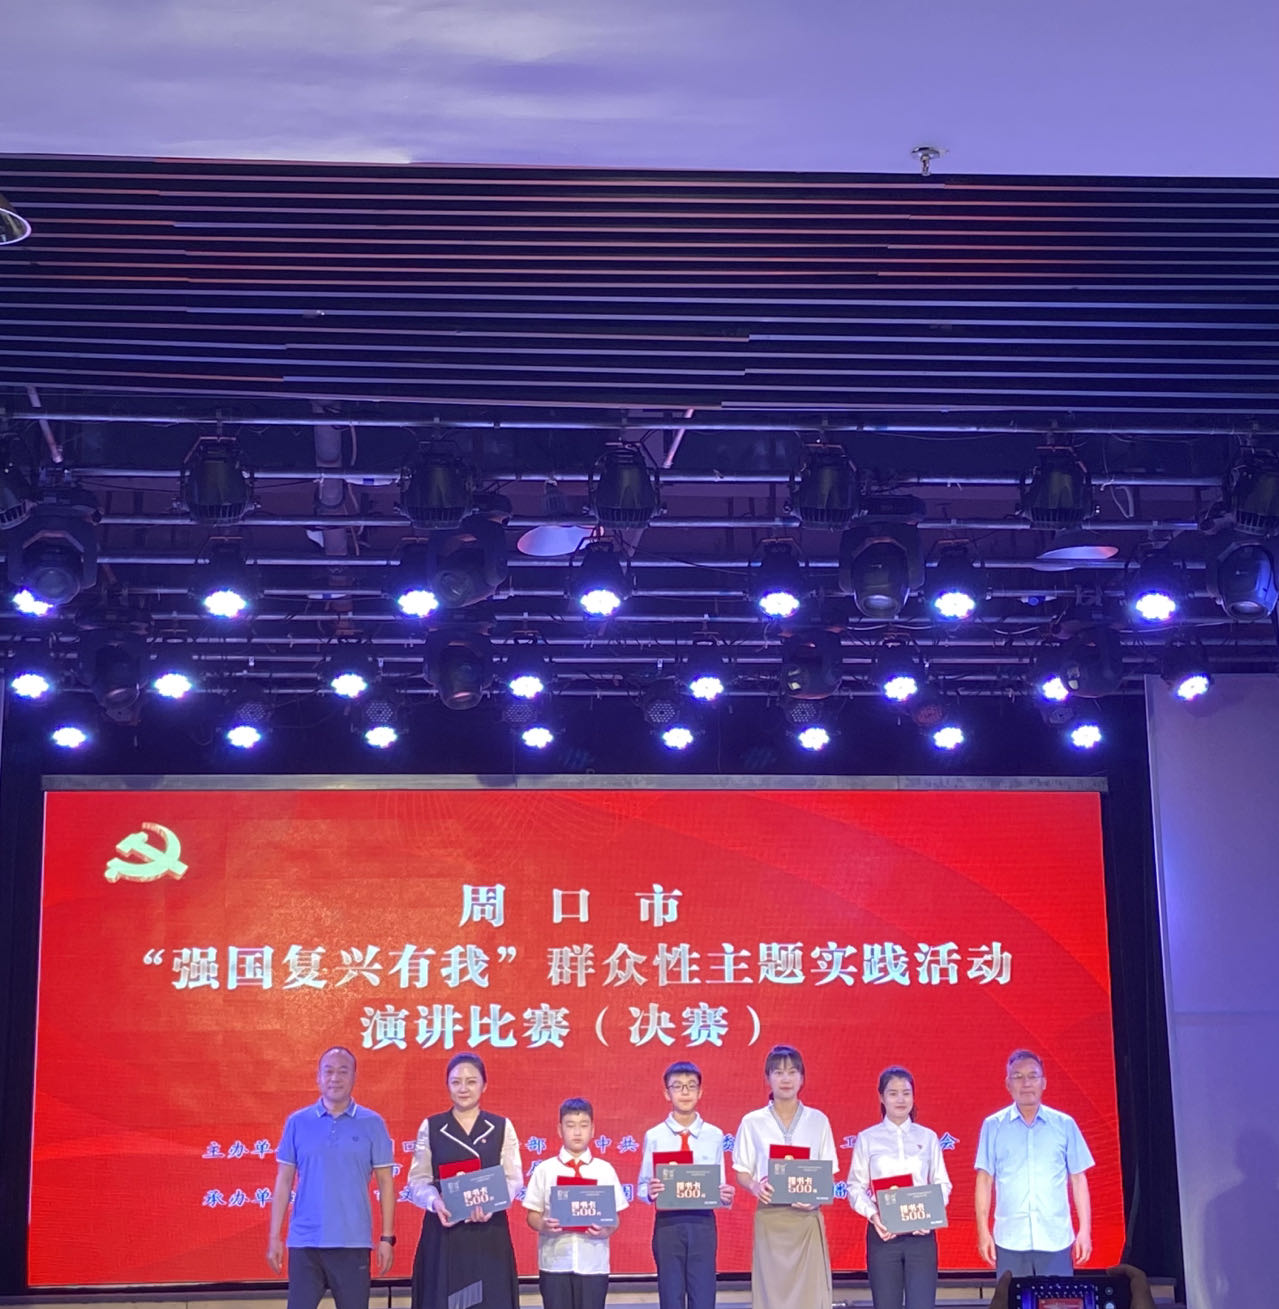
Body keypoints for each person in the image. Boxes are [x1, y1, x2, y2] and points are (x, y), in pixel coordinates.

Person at [267, 1047, 396, 1309]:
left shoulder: (373, 1123)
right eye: (328, 1071)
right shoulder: (297, 1122)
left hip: (353, 1242)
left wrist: (386, 1238)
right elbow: (284, 1181)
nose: (335, 1078)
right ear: (318, 1077)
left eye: (342, 1071)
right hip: (305, 1243)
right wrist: (274, 1236)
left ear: (354, 1077)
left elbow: (386, 1184)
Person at [405, 1051, 523, 1309]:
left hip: (489, 1230)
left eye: (471, 1081)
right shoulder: (432, 1126)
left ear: (484, 1085)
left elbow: (513, 1178)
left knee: (489, 1300)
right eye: (456, 1082)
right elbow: (417, 1180)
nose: (463, 1088)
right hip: (445, 1230)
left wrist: (492, 1205)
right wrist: (434, 1201)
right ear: (447, 1085)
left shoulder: (500, 1126)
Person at [732, 1044, 839, 1309]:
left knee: (810, 1295)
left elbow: (828, 1174)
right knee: (772, 1295)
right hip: (771, 1219)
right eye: (778, 1072)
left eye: (792, 1072)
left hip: (806, 1220)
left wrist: (816, 1200)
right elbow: (742, 1171)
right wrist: (755, 1186)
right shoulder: (752, 1121)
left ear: (802, 1078)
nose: (786, 1079)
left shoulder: (818, 1120)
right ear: (767, 1078)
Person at [974, 1049, 1095, 1277]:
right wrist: (983, 1232)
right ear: (1008, 1084)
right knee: (1011, 1296)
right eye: (1018, 1077)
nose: (1026, 1083)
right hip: (1010, 1239)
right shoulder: (993, 1126)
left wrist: (1085, 1231)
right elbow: (984, 1180)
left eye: (1032, 1076)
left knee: (1057, 1297)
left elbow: (1079, 1179)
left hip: (1055, 1238)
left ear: (1044, 1082)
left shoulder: (1064, 1125)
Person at [846, 1065, 952, 1309]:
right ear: (881, 1098)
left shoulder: (927, 1137)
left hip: (921, 1237)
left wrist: (930, 1214)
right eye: (893, 1093)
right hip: (883, 1235)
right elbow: (854, 1187)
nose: (900, 1099)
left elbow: (942, 1183)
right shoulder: (867, 1138)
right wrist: (874, 1216)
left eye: (906, 1093)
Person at [637, 1061, 735, 1309]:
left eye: (691, 1086)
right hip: (668, 1224)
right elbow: (642, 1187)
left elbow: (719, 1184)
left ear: (700, 1092)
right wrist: (649, 1192)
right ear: (666, 1093)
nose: (685, 1092)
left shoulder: (714, 1135)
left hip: (702, 1223)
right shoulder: (655, 1136)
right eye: (677, 1086)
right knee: (671, 1296)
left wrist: (725, 1195)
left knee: (703, 1296)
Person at [524, 1097, 630, 1309]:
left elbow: (615, 1218)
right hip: (554, 1263)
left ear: (593, 1130)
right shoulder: (545, 1169)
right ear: (559, 1129)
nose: (577, 1132)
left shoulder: (604, 1170)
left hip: (593, 1263)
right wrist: (543, 1225)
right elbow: (532, 1214)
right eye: (570, 1125)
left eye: (584, 1125)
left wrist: (605, 1231)